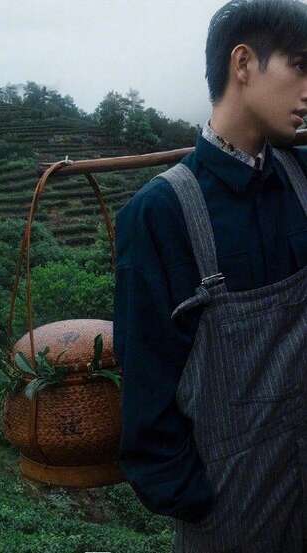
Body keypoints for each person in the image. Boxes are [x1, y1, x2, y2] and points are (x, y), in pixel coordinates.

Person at [113, 0, 307, 551]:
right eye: (299, 65)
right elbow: (146, 389)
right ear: (243, 65)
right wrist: (197, 500)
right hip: (230, 517)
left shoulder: (300, 177)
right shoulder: (161, 213)